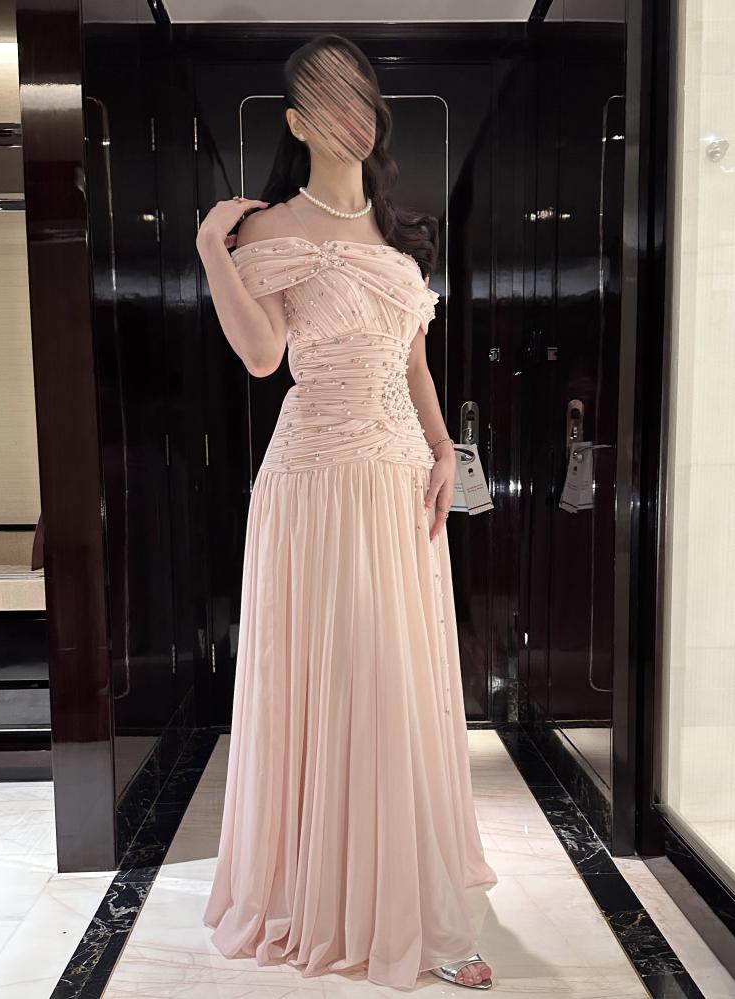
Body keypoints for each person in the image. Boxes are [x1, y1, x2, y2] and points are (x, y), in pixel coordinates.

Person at [195, 32, 497, 992]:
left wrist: (444, 450)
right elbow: (259, 357)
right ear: (296, 123)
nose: (351, 116)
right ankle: (330, 897)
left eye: (361, 98)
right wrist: (210, 249)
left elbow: (413, 365)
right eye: (329, 101)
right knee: (341, 677)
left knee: (402, 683)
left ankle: (409, 895)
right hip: (318, 483)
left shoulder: (400, 233)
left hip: (398, 483)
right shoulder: (271, 229)